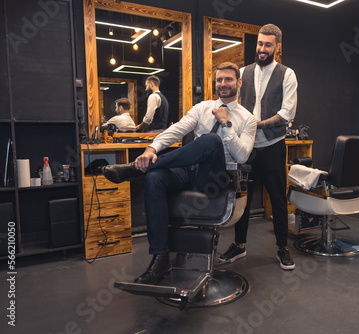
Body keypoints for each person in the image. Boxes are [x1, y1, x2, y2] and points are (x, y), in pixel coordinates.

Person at [102, 62, 257, 284]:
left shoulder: (248, 119)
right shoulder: (202, 108)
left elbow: (242, 157)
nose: (223, 84)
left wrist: (227, 123)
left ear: (239, 82)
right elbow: (176, 130)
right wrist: (151, 148)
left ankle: (134, 169)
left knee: (211, 140)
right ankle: (160, 258)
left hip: (215, 179)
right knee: (155, 177)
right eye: (219, 80)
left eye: (228, 79)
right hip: (188, 173)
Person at [219, 24, 298, 271]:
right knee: (242, 195)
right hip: (247, 148)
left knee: (277, 198)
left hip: (273, 145)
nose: (262, 49)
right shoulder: (243, 72)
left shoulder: (287, 74)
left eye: (268, 45)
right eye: (260, 44)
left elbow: (286, 113)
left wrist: (255, 125)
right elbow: (231, 103)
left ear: (277, 47)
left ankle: (282, 248)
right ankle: (239, 245)